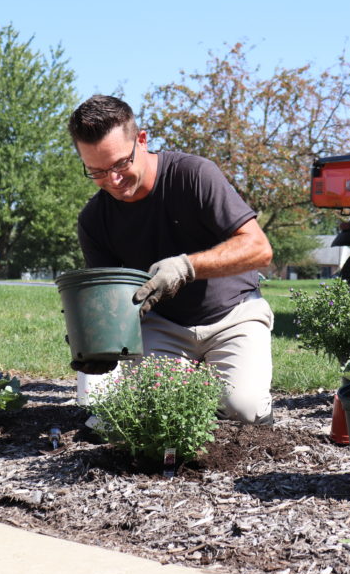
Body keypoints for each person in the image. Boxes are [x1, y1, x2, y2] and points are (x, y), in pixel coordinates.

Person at [67, 95, 275, 424]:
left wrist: (185, 267)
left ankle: (228, 394)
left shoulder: (193, 175)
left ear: (142, 140)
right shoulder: (94, 221)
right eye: (97, 172)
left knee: (243, 410)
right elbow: (113, 300)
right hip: (162, 327)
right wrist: (101, 343)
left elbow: (259, 249)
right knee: (157, 415)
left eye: (120, 164)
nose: (113, 181)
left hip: (234, 316)